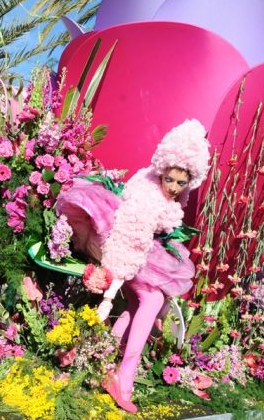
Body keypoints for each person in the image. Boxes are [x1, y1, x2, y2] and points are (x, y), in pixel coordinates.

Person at [56, 119, 211, 413]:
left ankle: (104, 362)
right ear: (163, 170)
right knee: (151, 298)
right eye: (171, 180)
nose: (175, 187)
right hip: (127, 254)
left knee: (138, 305)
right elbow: (128, 239)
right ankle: (123, 377)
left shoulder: (157, 185)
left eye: (182, 182)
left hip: (142, 254)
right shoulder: (148, 200)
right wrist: (111, 288)